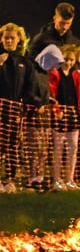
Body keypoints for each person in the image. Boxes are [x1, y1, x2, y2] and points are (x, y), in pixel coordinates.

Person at [0, 22, 39, 194]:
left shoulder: (25, 62)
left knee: (13, 146)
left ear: (18, 39)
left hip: (15, 112)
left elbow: (31, 86)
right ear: (1, 40)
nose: (8, 41)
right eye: (5, 38)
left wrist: (28, 105)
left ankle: (11, 180)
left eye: (12, 38)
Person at [48, 44, 80, 191]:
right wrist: (56, 109)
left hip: (73, 113)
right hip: (59, 113)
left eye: (71, 60)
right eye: (66, 59)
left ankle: (69, 179)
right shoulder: (55, 73)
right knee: (58, 148)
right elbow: (52, 95)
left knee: (73, 148)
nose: (68, 62)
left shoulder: (76, 75)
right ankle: (57, 179)